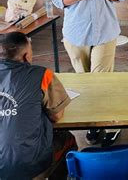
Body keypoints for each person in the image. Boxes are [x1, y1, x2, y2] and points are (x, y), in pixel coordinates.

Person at [52, 0, 126, 146]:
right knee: (85, 82)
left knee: (101, 82)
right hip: (75, 33)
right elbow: (58, 0)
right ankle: (93, 123)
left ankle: (100, 126)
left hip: (105, 31)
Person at [0, 32, 77, 179]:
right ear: (26, 56)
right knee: (67, 139)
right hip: (29, 164)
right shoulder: (42, 75)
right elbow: (56, 116)